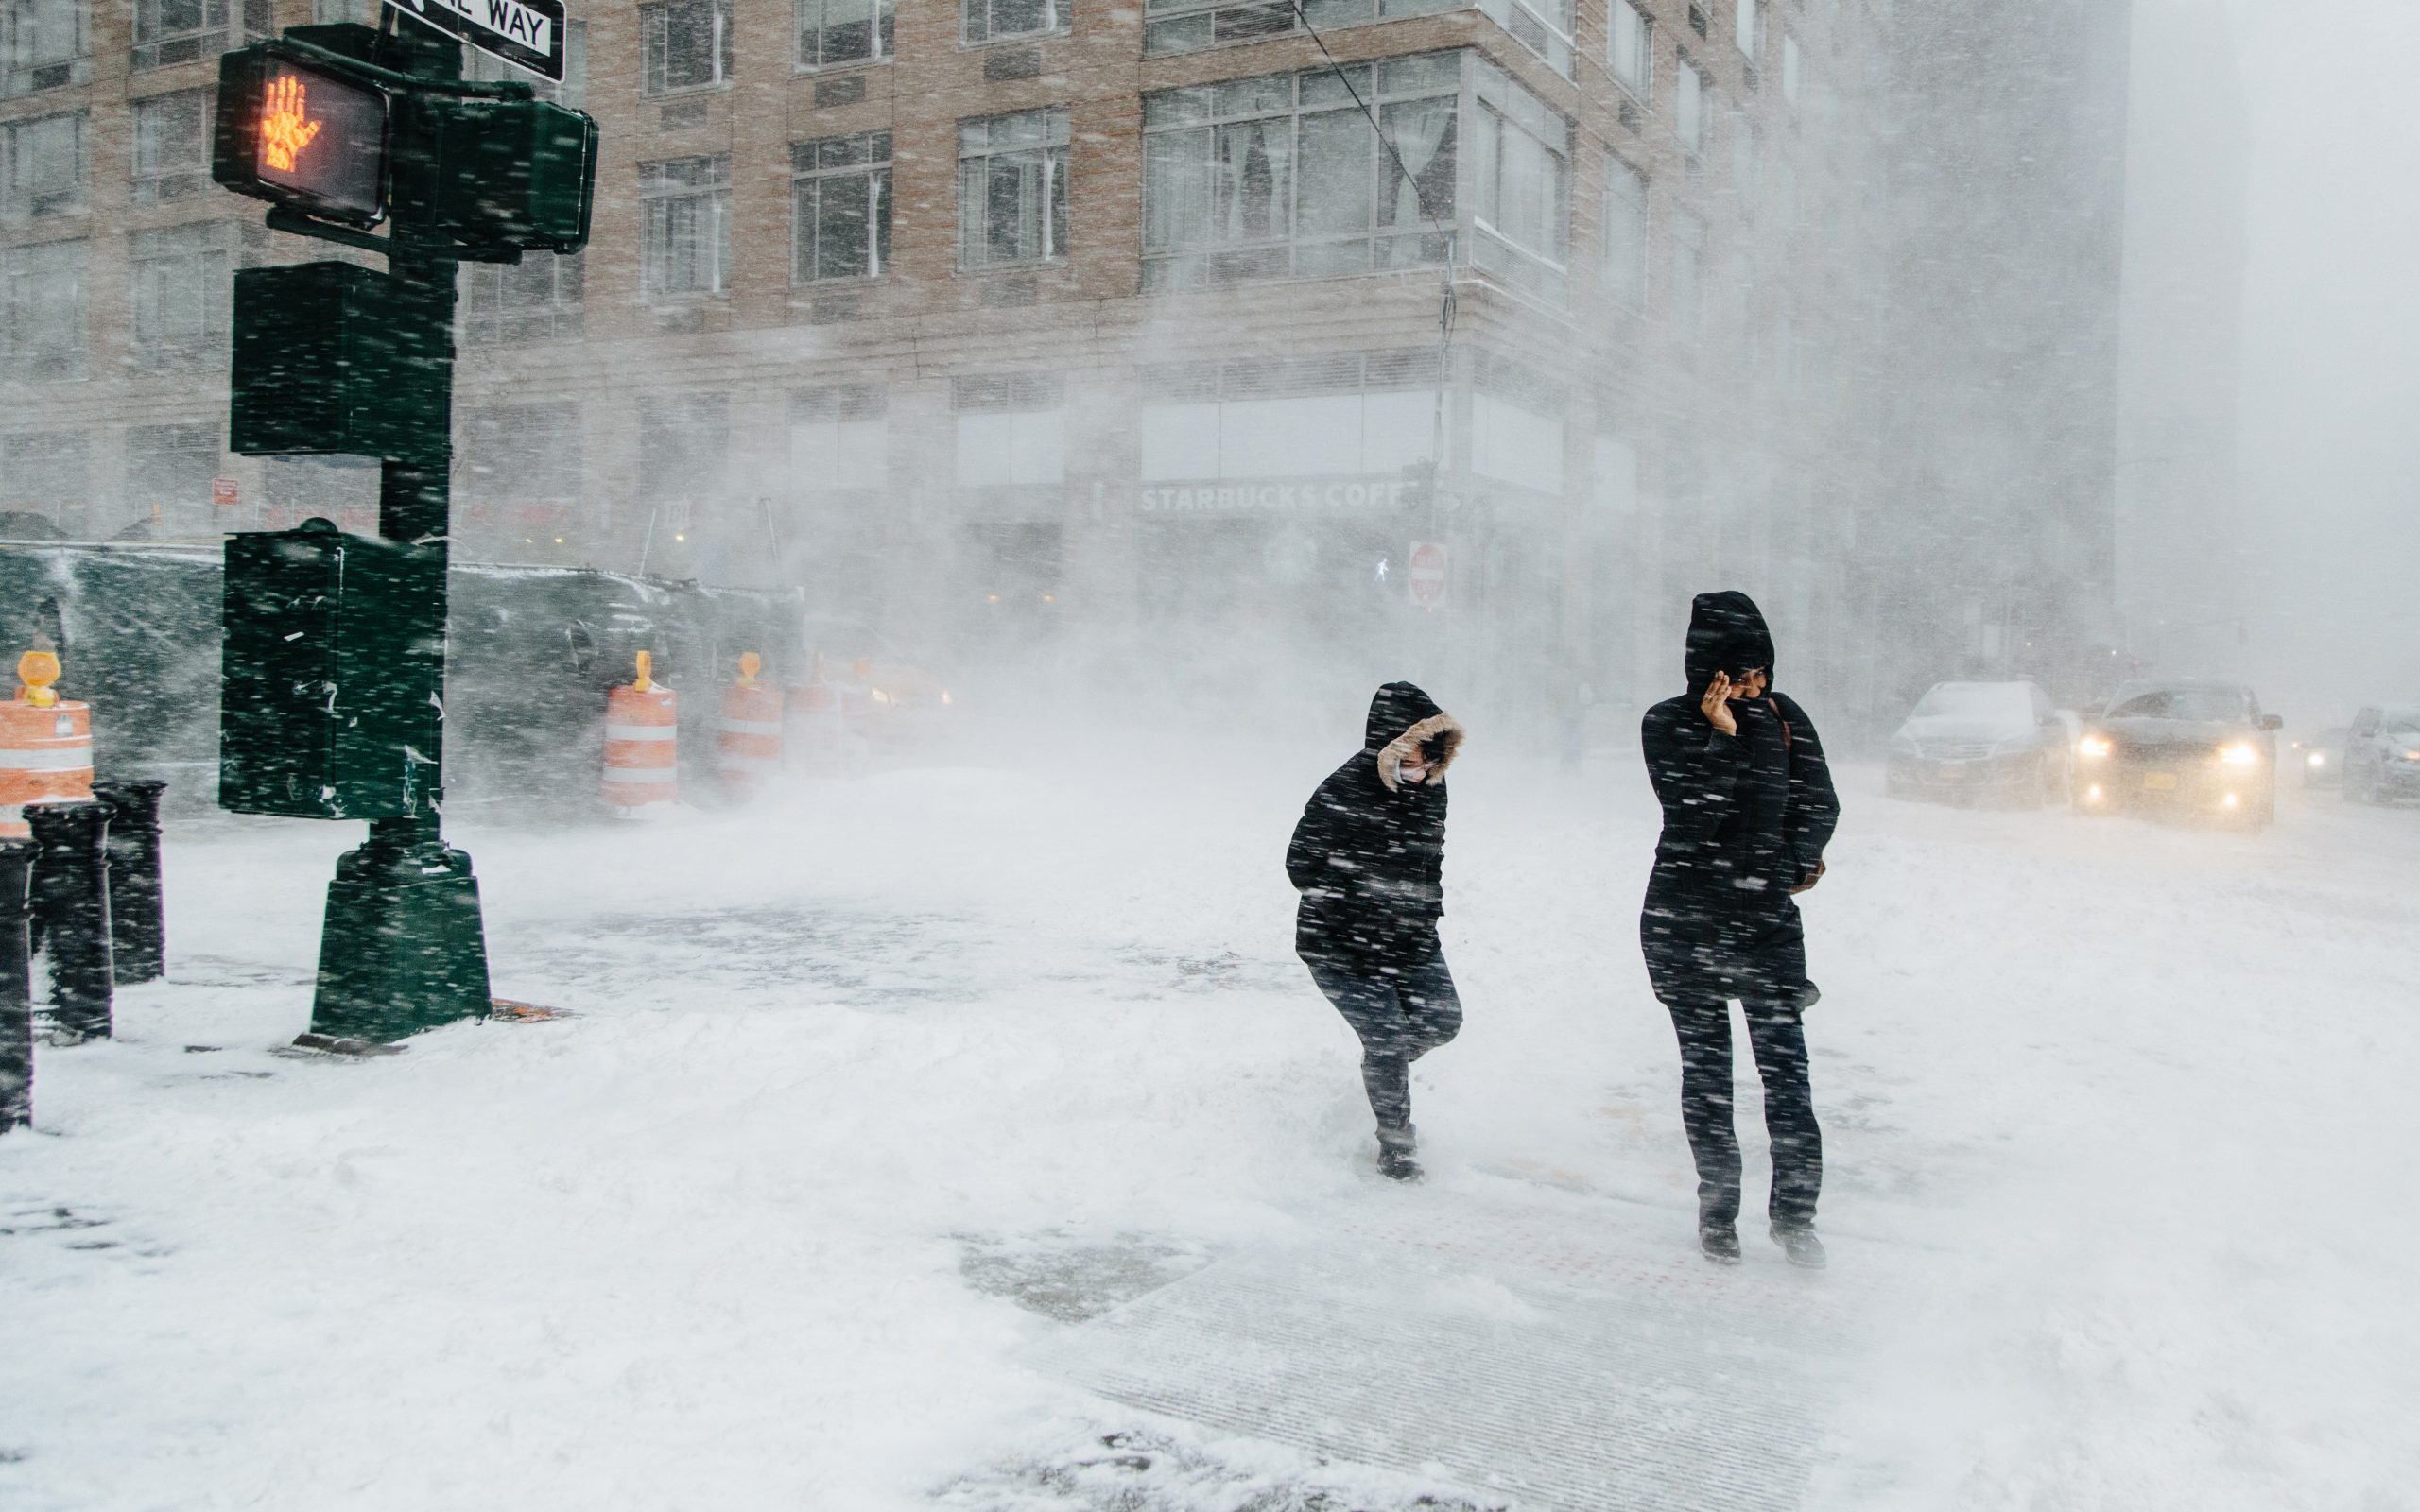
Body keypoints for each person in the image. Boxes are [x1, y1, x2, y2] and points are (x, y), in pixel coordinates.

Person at [1639, 593, 1840, 1267]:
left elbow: (1820, 801)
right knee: (1710, 1078)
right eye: (1740, 675)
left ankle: (1795, 1219)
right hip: (1685, 920)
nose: (1755, 686)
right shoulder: (1666, 723)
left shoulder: (1786, 719)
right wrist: (1720, 736)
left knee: (1788, 1079)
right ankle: (1718, 1214)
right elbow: (1690, 814)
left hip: (1765, 924)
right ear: (1708, 674)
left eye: (1762, 672)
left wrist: (1785, 866)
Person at [1287, 682, 1466, 1180]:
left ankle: (1382, 1071)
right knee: (1387, 1039)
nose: (1423, 770)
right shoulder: (1345, 788)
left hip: (1410, 939)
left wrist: (1424, 912)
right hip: (1340, 944)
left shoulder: (1431, 787)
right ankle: (1397, 1145)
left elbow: (1432, 859)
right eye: (1413, 758)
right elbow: (1300, 865)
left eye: (1432, 760)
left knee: (1442, 1023)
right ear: (1388, 746)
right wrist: (1363, 894)